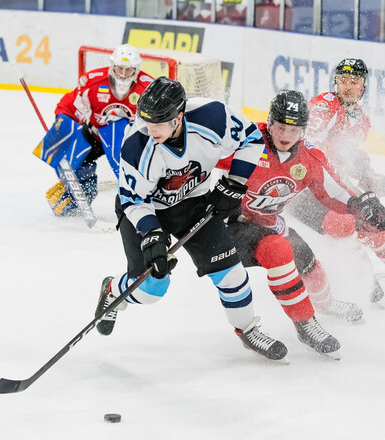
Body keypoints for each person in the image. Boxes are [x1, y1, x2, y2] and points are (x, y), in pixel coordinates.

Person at [95, 77, 288, 362]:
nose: (151, 130)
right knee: (151, 290)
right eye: (147, 122)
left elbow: (251, 139)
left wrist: (235, 183)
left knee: (231, 273)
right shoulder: (137, 146)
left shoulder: (213, 117)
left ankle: (248, 329)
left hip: (193, 204)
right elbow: (134, 201)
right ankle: (113, 290)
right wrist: (152, 235)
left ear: (179, 116)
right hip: (146, 212)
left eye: (159, 123)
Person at [220, 91, 385, 355]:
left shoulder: (308, 157)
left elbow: (334, 192)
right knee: (278, 253)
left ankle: (325, 302)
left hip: (268, 222)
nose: (286, 135)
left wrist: (362, 205)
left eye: (294, 129)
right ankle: (303, 324)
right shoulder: (246, 143)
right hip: (229, 224)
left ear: (303, 130)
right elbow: (200, 164)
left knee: (306, 260)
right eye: (281, 127)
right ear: (270, 123)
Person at [288, 58, 385, 296]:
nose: (347, 86)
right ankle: (363, 280)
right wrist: (355, 190)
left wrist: (367, 175)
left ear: (363, 87)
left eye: (354, 81)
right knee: (346, 227)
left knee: (372, 222)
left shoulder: (361, 120)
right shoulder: (326, 105)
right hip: (302, 187)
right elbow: (307, 146)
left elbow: (345, 154)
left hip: (330, 185)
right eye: (342, 80)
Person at [33, 44, 153, 217]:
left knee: (134, 168)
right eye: (120, 69)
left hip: (128, 142)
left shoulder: (148, 89)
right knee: (78, 166)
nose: (123, 75)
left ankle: (140, 205)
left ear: (137, 70)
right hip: (94, 135)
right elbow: (68, 107)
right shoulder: (92, 82)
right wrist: (62, 129)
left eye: (129, 70)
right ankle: (75, 200)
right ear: (112, 66)